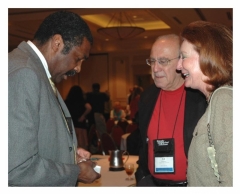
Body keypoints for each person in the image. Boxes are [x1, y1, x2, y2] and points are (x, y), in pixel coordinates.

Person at [8, 10, 101, 186]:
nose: (79, 68)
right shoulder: (24, 73)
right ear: (57, 43)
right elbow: (17, 169)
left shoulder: (35, 71)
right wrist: (77, 172)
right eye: (78, 58)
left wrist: (68, 154)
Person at [135, 34, 207, 186]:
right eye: (152, 61)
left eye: (163, 61)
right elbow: (143, 144)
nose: (155, 68)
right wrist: (141, 177)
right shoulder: (147, 97)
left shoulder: (200, 98)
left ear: (181, 62)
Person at [177, 21, 233, 186]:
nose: (179, 66)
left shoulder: (224, 100)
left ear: (208, 56)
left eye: (184, 56)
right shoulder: (217, 99)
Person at [65, 85, 91, 150]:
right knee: (82, 144)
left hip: (71, 124)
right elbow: (89, 107)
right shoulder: (81, 101)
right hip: (80, 125)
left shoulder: (67, 101)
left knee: (72, 145)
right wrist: (83, 116)